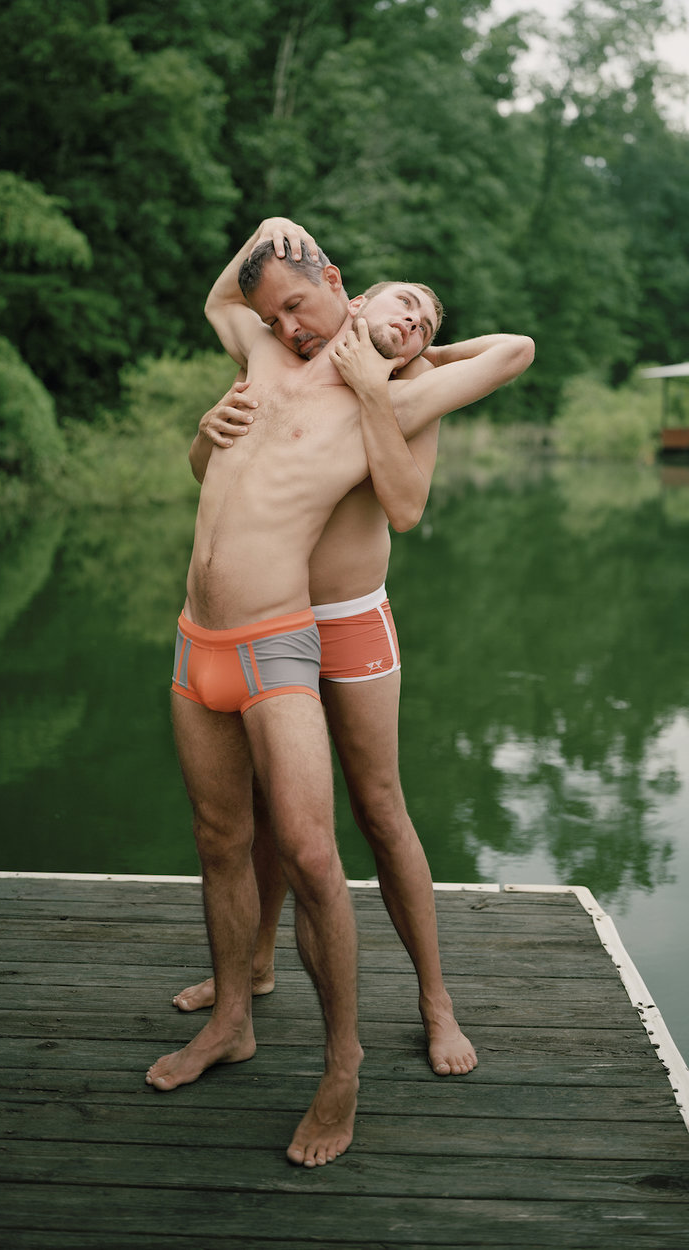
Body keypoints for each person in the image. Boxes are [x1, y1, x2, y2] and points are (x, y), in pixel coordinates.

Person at [145, 219, 534, 1169]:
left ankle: (422, 1008)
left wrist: (397, 355)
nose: (289, 323)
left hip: (335, 617)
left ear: (345, 288)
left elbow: (420, 485)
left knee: (366, 816)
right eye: (402, 302)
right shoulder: (271, 353)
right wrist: (265, 238)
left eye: (423, 313)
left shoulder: (401, 395)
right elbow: (224, 308)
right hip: (224, 629)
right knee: (240, 832)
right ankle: (246, 989)